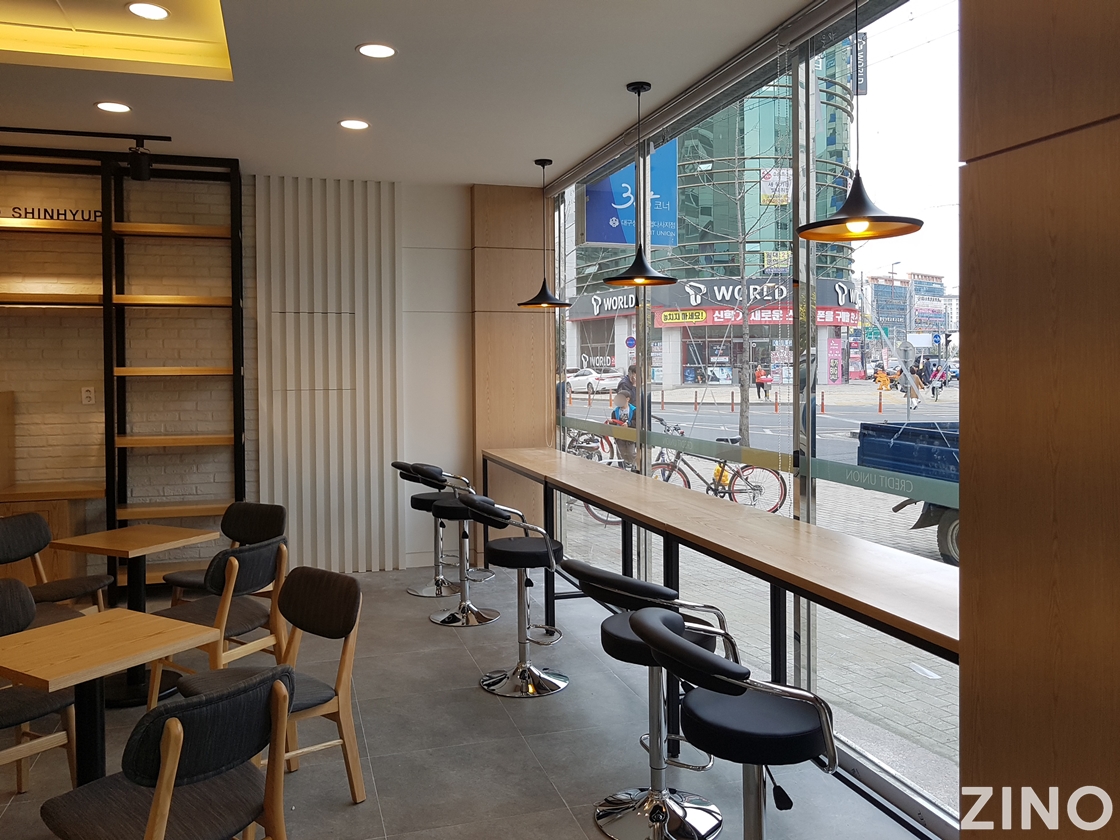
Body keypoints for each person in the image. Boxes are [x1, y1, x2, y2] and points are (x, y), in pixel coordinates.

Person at [607, 390, 637, 466]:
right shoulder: (615, 411)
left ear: (627, 399)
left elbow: (638, 422)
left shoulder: (634, 410)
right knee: (620, 454)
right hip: (619, 437)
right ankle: (621, 467)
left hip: (630, 436)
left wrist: (629, 424)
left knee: (631, 453)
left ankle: (634, 467)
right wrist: (612, 422)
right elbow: (614, 424)